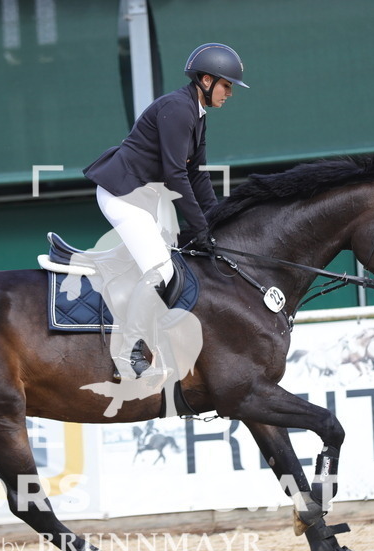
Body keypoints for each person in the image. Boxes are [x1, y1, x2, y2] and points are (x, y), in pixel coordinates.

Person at [83, 42, 248, 379]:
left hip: (144, 197)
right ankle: (127, 354)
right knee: (162, 272)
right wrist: (200, 228)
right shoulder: (178, 109)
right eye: (227, 86)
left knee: (176, 262)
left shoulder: (197, 115)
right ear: (205, 79)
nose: (229, 94)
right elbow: (175, 174)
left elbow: (197, 175)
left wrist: (216, 220)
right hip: (122, 196)